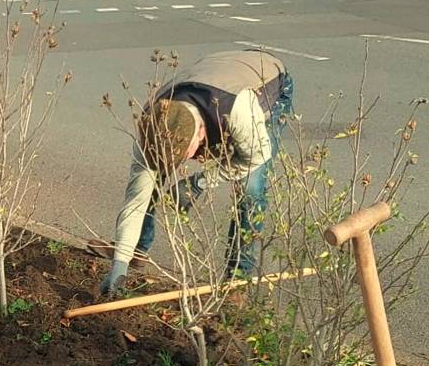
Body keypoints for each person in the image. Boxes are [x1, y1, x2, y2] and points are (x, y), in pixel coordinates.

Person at [100, 50, 294, 295]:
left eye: (186, 155)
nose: (182, 164)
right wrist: (119, 264)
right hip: (212, 73)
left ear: (202, 133)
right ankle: (135, 251)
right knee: (150, 179)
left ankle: (236, 281)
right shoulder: (154, 123)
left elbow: (258, 155)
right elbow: (136, 198)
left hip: (264, 82)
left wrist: (200, 182)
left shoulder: (236, 109)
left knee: (250, 189)